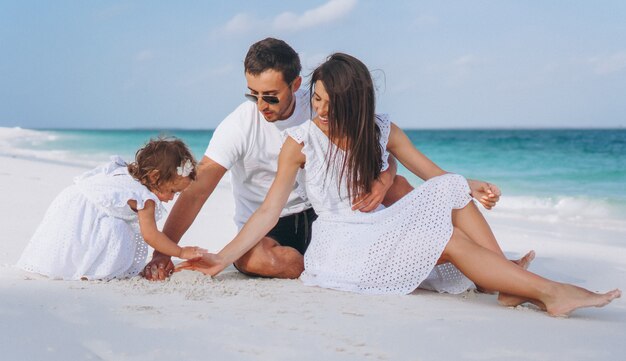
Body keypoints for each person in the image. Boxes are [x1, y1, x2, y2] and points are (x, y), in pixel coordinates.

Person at [178, 53, 621, 316]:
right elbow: (268, 211)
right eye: (316, 100)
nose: (322, 111)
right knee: (443, 239)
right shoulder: (301, 142)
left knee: (451, 189)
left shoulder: (379, 128)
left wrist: (474, 182)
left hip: (375, 227)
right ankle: (545, 290)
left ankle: (506, 280)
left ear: (358, 102)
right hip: (340, 244)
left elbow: (433, 174)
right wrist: (222, 258)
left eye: (332, 103)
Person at [143, 38, 414, 281]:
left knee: (398, 186)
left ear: (295, 84)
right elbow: (197, 191)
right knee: (253, 260)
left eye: (270, 97)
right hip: (269, 224)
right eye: (253, 94)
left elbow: (376, 145)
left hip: (325, 212)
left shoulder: (321, 106)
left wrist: (386, 176)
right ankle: (324, 266)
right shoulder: (239, 125)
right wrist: (162, 253)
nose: (261, 105)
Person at [16, 138, 207, 281]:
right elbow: (151, 236)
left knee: (101, 233)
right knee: (119, 233)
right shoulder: (145, 198)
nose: (171, 198)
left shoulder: (124, 171)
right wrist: (180, 252)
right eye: (172, 191)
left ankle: (75, 265)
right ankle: (95, 271)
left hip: (72, 206)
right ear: (155, 177)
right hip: (86, 214)